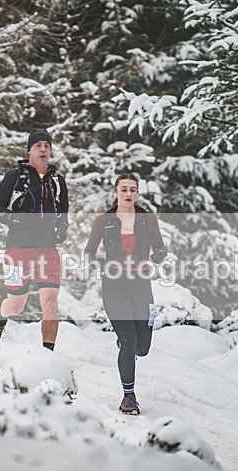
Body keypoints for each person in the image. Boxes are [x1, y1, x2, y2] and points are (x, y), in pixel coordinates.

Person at [83, 173, 167, 415]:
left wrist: (159, 254)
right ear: (115, 193)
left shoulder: (147, 219)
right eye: (124, 189)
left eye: (132, 190)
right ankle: (128, 397)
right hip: (114, 285)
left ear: (137, 193)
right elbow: (89, 251)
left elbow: (160, 246)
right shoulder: (103, 221)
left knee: (142, 348)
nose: (128, 194)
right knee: (129, 343)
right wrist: (97, 263)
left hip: (141, 285)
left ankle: (127, 343)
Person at [0, 128, 69, 351]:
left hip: (47, 250)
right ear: (30, 150)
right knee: (15, 306)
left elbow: (63, 212)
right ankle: (0, 318)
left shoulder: (58, 181)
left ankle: (46, 354)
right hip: (18, 249)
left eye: (47, 146)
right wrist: (13, 219)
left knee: (51, 303)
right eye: (38, 145)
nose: (43, 149)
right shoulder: (15, 177)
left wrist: (62, 229)